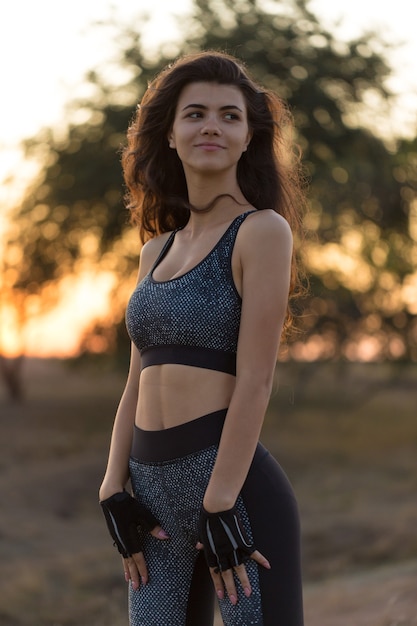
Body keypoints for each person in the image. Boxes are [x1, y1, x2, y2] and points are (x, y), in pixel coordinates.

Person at [99, 50, 306, 626]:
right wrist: (113, 484)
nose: (211, 125)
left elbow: (257, 379)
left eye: (229, 116)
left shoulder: (262, 231)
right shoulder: (154, 251)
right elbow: (137, 378)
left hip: (232, 489)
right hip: (150, 493)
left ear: (248, 138)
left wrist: (218, 504)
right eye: (195, 113)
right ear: (169, 134)